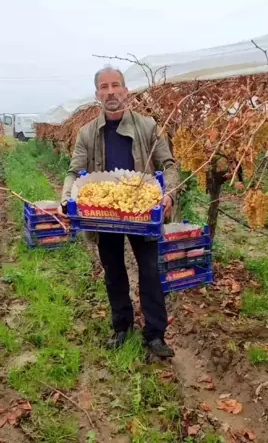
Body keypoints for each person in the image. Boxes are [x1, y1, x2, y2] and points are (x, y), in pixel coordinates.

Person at [61, 66, 178, 358]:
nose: (110, 92)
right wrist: (66, 198)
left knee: (150, 272)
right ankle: (122, 327)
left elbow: (170, 165)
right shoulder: (87, 133)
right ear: (97, 94)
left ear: (126, 91)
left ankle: (154, 334)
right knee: (114, 272)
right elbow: (74, 171)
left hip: (142, 214)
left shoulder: (148, 126)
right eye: (104, 87)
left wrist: (169, 195)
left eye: (116, 86)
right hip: (104, 214)